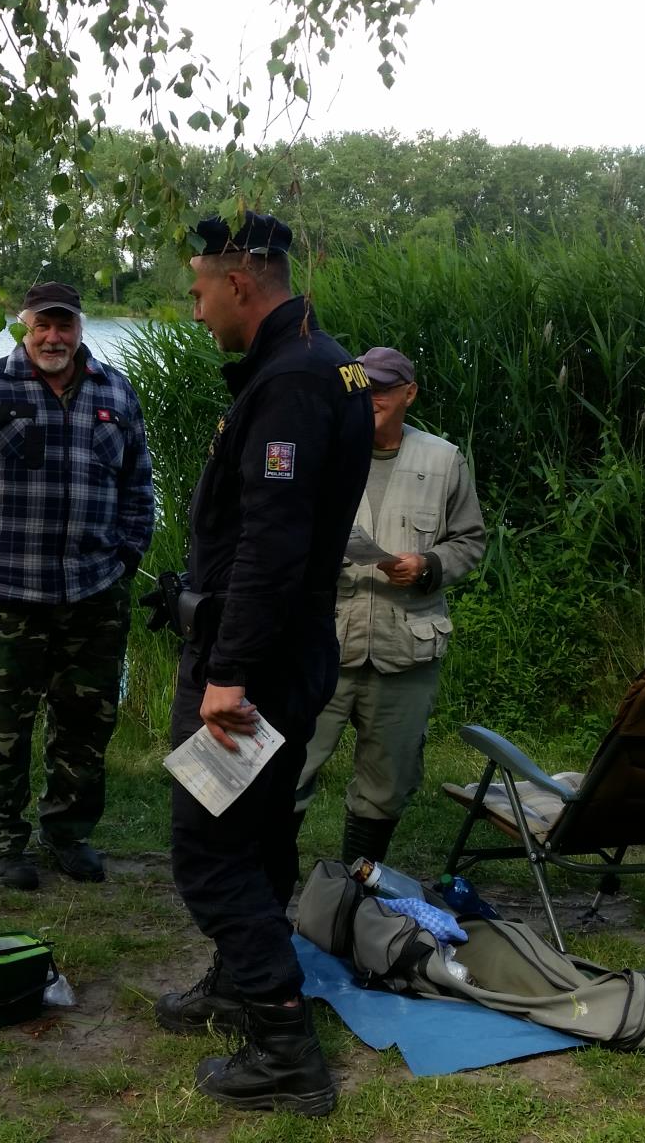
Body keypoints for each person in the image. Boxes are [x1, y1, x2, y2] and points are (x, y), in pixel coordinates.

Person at [153, 212, 373, 1117]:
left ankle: (283, 1042)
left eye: (200, 290)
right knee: (263, 828)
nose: (197, 310)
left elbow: (272, 548)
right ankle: (242, 985)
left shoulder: (288, 383)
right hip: (295, 653)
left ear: (241, 280)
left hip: (257, 666)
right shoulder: (341, 364)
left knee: (206, 849)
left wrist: (228, 675)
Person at [0, 281, 153, 890]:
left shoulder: (116, 392)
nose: (53, 337)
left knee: (86, 728)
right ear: (25, 326)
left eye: (64, 326)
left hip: (94, 596)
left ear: (80, 329)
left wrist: (126, 556)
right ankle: (0, 842)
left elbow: (139, 488)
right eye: (42, 325)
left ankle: (68, 835)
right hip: (6, 598)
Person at [294, 345, 486, 864]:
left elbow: (470, 540)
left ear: (409, 393)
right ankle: (270, 887)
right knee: (289, 765)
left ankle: (360, 889)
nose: (371, 396)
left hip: (406, 649)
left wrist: (427, 567)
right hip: (323, 645)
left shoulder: (443, 459)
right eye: (363, 385)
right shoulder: (322, 451)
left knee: (388, 781)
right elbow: (281, 533)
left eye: (382, 388)